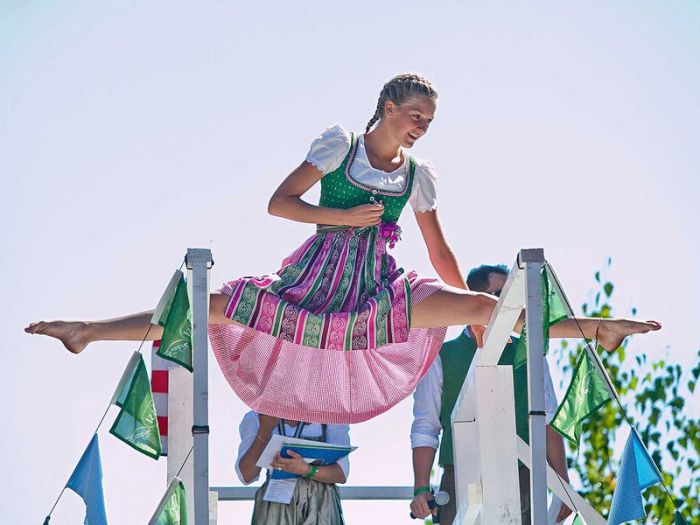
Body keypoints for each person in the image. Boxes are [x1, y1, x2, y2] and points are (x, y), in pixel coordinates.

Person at [24, 73, 661, 426]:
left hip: (374, 292)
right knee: (209, 304)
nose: (420, 125)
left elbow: (439, 251)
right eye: (414, 113)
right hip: (312, 283)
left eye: (428, 120)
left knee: (479, 308)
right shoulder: (341, 146)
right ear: (386, 106)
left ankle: (594, 329)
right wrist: (343, 215)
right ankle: (88, 329)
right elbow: (279, 204)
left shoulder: (418, 174)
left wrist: (463, 287)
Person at [410, 265, 575, 524]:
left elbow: (548, 422)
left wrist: (564, 486)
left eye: (511, 297)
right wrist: (421, 488)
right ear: (476, 301)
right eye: (498, 294)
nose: (507, 305)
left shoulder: (530, 352)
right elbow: (426, 427)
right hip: (458, 479)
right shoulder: (440, 357)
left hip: (522, 479)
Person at [236, 412, 349, 525]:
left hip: (321, 505)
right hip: (277, 500)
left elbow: (341, 473)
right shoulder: (257, 417)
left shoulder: (331, 416)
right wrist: (264, 431)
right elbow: (247, 476)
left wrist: (307, 469)